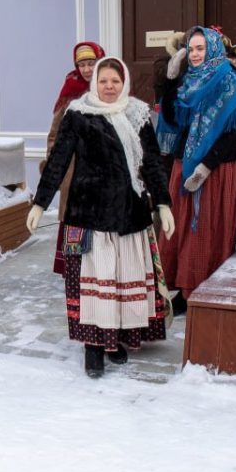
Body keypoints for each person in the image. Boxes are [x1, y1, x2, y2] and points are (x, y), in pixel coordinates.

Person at [26, 57, 176, 379]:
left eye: (115, 81)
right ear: (95, 83)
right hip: (88, 214)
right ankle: (92, 348)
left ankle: (115, 339)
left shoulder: (137, 114)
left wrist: (163, 203)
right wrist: (40, 203)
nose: (109, 86)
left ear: (124, 84)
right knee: (90, 287)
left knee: (120, 283)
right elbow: (59, 160)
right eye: (104, 80)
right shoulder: (78, 114)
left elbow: (151, 163)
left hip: (128, 213)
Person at [156, 26, 236, 308]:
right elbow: (172, 118)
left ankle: (205, 288)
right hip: (184, 164)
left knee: (206, 229)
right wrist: (170, 80)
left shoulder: (231, 82)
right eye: (191, 49)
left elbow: (232, 132)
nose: (195, 55)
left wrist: (206, 166)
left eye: (201, 49)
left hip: (217, 169)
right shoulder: (186, 82)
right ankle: (181, 288)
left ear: (213, 49)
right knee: (179, 227)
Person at [42, 40, 105, 275]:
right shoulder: (69, 92)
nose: (87, 69)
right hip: (75, 169)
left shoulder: (110, 87)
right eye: (83, 65)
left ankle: (101, 268)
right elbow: (55, 134)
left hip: (104, 168)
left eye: (91, 63)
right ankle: (75, 268)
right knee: (76, 220)